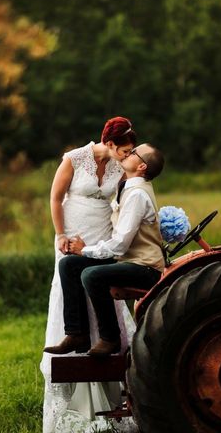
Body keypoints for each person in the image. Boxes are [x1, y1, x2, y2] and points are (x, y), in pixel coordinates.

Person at [41, 117, 138, 433]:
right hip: (72, 235)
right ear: (109, 144)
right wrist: (59, 234)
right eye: (123, 150)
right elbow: (56, 198)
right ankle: (75, 349)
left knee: (99, 292)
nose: (126, 156)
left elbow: (125, 199)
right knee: (71, 289)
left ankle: (108, 387)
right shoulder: (74, 158)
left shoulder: (119, 167)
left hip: (100, 237)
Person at [45, 143, 165, 357]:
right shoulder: (128, 186)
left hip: (144, 267)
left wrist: (85, 251)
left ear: (141, 167)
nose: (129, 153)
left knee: (92, 275)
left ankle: (110, 338)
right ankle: (76, 333)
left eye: (135, 152)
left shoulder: (137, 194)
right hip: (127, 261)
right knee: (68, 264)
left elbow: (119, 244)